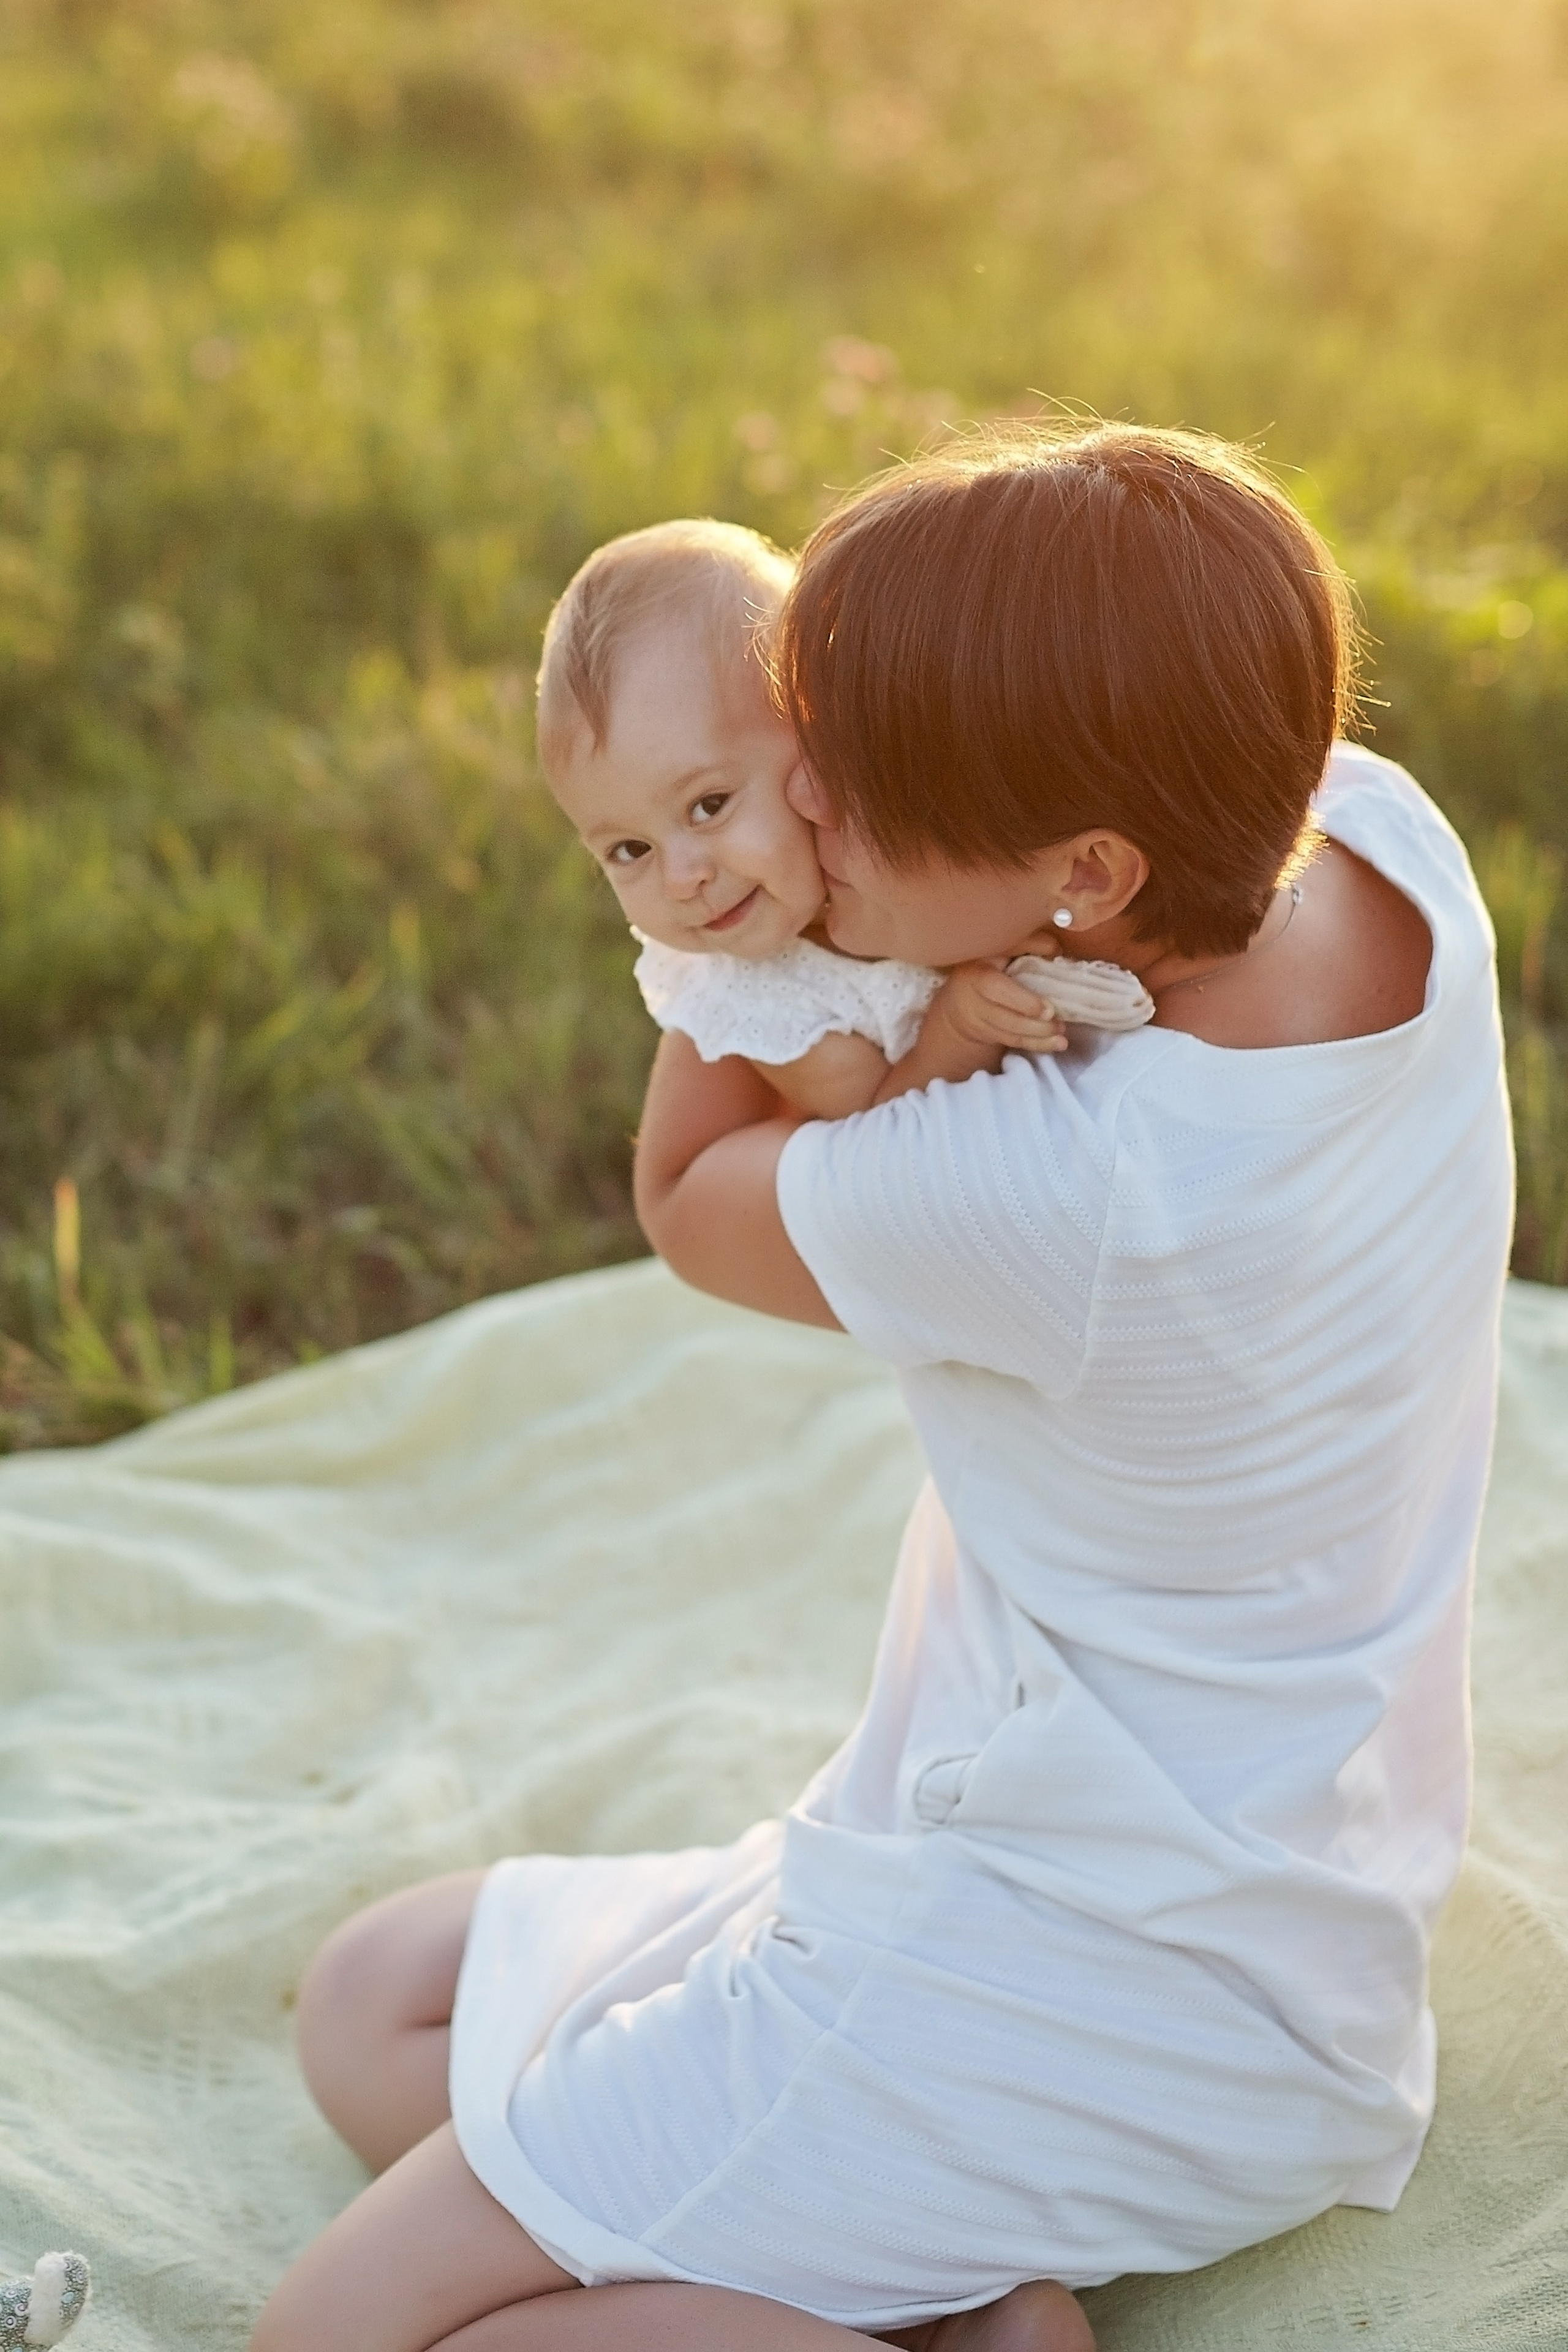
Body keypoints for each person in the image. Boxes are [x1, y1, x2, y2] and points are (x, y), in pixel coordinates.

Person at [249, 424, 1512, 2352]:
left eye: (841, 797)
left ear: (1078, 876)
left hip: (1085, 1962)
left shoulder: (1067, 1193)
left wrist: (708, 974)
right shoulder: (1359, 827)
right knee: (379, 2002)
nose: (790, 830)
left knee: (343, 2332)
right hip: (1206, 1874)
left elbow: (685, 1200)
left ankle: (923, 2273)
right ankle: (958, 2297)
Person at [535, 518, 1156, 1119]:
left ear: (815, 728)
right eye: (629, 850)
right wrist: (957, 1028)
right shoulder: (761, 997)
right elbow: (874, 1127)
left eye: (708, 806)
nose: (681, 880)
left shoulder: (918, 822)